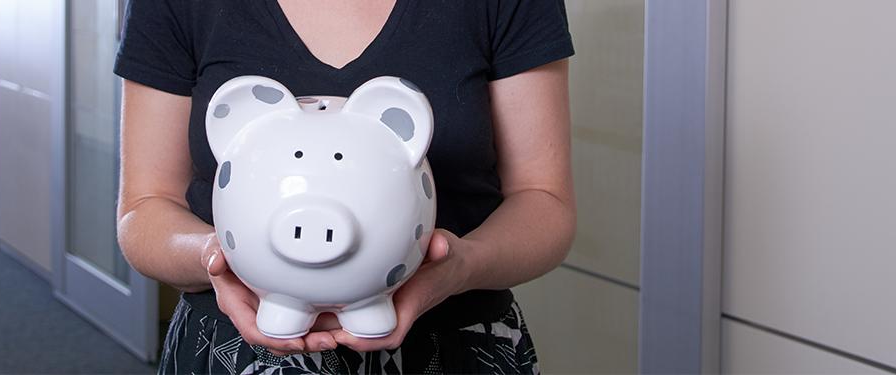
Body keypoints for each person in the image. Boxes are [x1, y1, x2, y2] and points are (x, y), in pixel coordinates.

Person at [115, 0, 576, 373]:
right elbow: (145, 208)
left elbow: (544, 200)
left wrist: (464, 267)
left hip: (456, 343)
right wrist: (218, 258)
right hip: (231, 345)